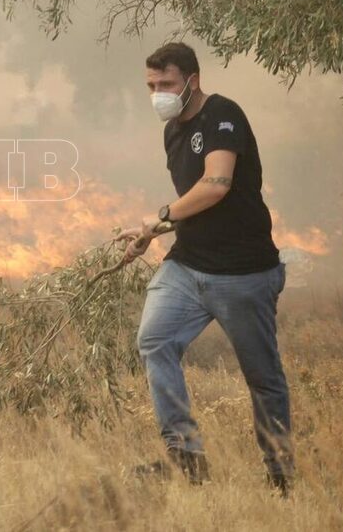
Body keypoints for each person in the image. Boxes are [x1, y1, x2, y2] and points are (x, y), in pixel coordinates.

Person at [117, 41, 293, 493]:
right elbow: (189, 206)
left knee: (262, 377)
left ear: (191, 81)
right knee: (154, 340)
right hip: (188, 266)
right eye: (151, 85)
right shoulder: (172, 130)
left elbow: (215, 185)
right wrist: (150, 235)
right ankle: (185, 456)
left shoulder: (222, 115)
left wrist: (158, 218)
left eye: (166, 84)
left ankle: (280, 476)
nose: (158, 93)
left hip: (242, 273)